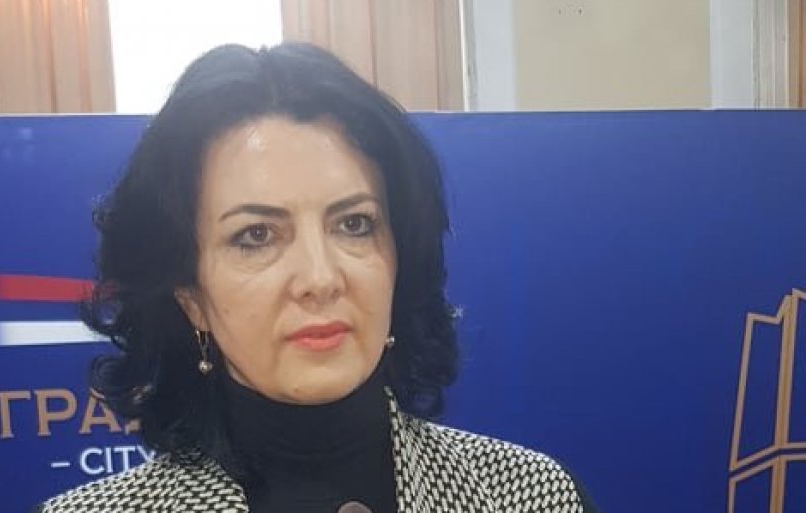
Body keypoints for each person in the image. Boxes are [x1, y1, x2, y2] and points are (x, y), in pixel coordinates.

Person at [36, 42, 596, 513]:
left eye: (354, 224)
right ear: (190, 297)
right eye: (256, 235)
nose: (320, 278)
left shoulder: (529, 495)